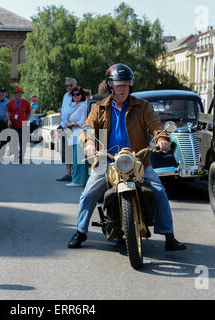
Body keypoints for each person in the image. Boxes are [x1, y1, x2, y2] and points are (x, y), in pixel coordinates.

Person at [68, 63, 186, 252]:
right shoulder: (99, 108)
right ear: (110, 85)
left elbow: (156, 125)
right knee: (88, 193)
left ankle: (169, 236)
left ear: (130, 85)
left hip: (137, 160)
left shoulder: (142, 106)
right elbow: (88, 127)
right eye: (117, 84)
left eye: (125, 84)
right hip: (106, 160)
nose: (122, 87)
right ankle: (80, 231)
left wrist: (162, 138)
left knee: (159, 190)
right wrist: (89, 143)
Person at [64, 86, 90, 187]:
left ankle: (78, 181)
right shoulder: (76, 105)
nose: (75, 96)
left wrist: (71, 124)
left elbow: (83, 121)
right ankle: (79, 180)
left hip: (80, 134)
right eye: (73, 94)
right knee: (77, 158)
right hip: (74, 135)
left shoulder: (83, 106)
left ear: (82, 95)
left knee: (79, 159)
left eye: (78, 94)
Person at [56, 77, 77, 182]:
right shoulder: (65, 95)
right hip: (64, 126)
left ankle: (75, 173)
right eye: (67, 86)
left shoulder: (78, 95)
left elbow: (78, 110)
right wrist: (61, 121)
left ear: (75, 86)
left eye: (71, 85)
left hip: (73, 127)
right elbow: (63, 109)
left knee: (74, 151)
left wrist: (69, 123)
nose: (69, 87)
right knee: (66, 151)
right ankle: (68, 173)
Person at [6, 87, 31, 164]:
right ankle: (16, 156)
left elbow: (29, 113)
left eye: (20, 93)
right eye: (18, 93)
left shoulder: (26, 103)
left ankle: (21, 157)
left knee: (22, 142)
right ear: (15, 95)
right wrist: (9, 120)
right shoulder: (11, 103)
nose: (19, 95)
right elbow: (7, 112)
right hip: (13, 125)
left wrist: (26, 121)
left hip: (22, 126)